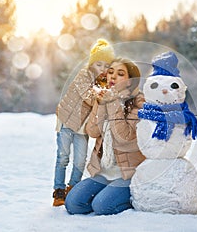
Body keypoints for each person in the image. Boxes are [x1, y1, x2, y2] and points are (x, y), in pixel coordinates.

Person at [65, 58, 146, 215]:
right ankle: (108, 194)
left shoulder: (139, 104)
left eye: (120, 74)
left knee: (102, 206)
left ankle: (133, 200)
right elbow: (93, 131)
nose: (113, 77)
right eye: (110, 72)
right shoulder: (105, 98)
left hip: (128, 173)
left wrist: (113, 102)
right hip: (104, 172)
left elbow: (124, 137)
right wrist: (100, 104)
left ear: (130, 81)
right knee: (73, 204)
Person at [52, 39, 115, 207]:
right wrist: (103, 93)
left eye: (105, 65)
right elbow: (89, 97)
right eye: (98, 64)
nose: (102, 69)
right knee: (63, 157)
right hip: (67, 122)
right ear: (92, 63)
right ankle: (58, 190)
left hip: (82, 128)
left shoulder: (104, 83)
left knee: (80, 160)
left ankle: (72, 188)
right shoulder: (83, 75)